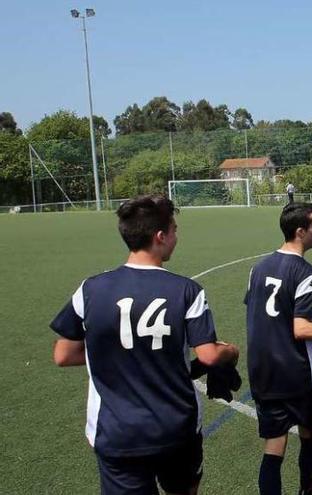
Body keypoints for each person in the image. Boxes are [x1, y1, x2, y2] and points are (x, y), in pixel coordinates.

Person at [50, 195, 240, 494]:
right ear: (160, 237)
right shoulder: (187, 290)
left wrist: (119, 350)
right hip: (175, 426)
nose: (177, 237)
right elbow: (208, 354)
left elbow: (63, 354)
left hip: (115, 430)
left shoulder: (90, 289)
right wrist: (231, 350)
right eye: (174, 230)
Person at [244, 202, 312, 495]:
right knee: (308, 434)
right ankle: (307, 486)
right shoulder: (307, 273)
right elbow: (301, 328)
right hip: (300, 374)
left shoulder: (258, 268)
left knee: (274, 445)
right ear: (300, 231)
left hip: (264, 372)